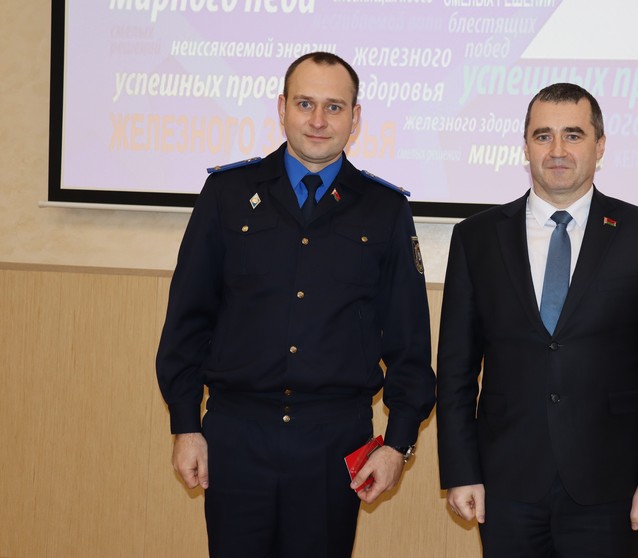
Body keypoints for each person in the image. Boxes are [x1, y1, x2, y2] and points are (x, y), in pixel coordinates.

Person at [156, 51, 436, 557]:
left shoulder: (385, 209)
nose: (318, 120)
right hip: (237, 436)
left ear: (355, 117)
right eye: (305, 103)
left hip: (334, 442)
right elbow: (188, 321)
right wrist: (185, 425)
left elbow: (409, 340)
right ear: (281, 107)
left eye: (334, 107)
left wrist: (397, 443)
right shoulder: (227, 194)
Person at [436, 83, 638, 558]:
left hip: (611, 483)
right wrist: (461, 470)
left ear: (600, 145)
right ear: (526, 147)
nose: (557, 150)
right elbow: (456, 367)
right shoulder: (476, 238)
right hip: (505, 482)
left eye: (573, 135)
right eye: (543, 136)